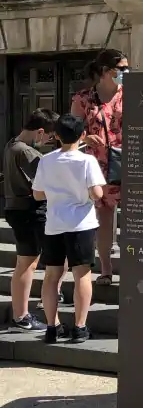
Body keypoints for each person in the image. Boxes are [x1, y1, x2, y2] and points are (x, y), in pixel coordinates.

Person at [32, 114, 106, 343]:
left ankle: (52, 327)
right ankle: (80, 327)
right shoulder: (87, 161)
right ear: (82, 134)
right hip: (81, 224)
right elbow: (97, 193)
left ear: (56, 136)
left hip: (54, 223)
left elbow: (37, 194)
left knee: (51, 275)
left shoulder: (47, 160)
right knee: (82, 275)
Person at [70, 48, 126, 286]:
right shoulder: (83, 98)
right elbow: (70, 130)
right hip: (98, 167)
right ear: (105, 71)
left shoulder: (131, 94)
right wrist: (85, 138)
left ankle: (137, 266)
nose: (126, 72)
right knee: (104, 219)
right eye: (121, 69)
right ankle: (105, 269)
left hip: (129, 163)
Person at [4, 109, 57, 332]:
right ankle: (22, 316)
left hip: (16, 208)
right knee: (29, 262)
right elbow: (44, 184)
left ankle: (20, 314)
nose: (49, 141)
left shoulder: (11, 144)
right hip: (28, 210)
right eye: (50, 137)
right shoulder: (26, 152)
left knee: (25, 262)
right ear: (41, 131)